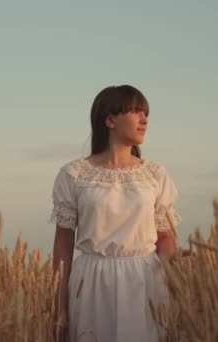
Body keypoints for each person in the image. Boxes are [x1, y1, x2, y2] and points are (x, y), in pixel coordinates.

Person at [50, 85, 181, 341]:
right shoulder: (74, 174)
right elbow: (63, 245)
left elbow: (164, 237)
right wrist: (60, 308)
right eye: (135, 112)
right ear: (109, 120)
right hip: (91, 283)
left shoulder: (155, 174)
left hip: (144, 281)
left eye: (146, 114)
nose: (144, 120)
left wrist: (174, 261)